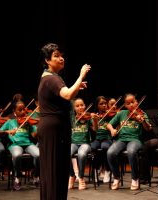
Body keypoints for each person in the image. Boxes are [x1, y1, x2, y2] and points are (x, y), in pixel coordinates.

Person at [37, 42, 91, 200]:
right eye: (56, 56)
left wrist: (77, 86)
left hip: (52, 129)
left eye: (61, 56)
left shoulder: (48, 77)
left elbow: (62, 95)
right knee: (55, 173)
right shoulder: (52, 79)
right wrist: (81, 76)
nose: (61, 59)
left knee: (54, 172)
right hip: (54, 130)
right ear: (47, 60)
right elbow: (67, 95)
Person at [107, 93, 152, 190]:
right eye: (128, 103)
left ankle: (135, 178)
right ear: (125, 105)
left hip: (135, 140)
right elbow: (109, 124)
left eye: (133, 102)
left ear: (136, 102)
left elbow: (148, 128)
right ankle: (116, 177)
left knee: (131, 152)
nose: (131, 105)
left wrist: (142, 121)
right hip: (122, 139)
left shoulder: (142, 114)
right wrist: (112, 130)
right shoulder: (121, 113)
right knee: (110, 153)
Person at [0, 100, 40, 190]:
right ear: (14, 111)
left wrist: (38, 126)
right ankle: (17, 177)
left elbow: (34, 135)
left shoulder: (28, 121)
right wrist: (7, 131)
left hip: (28, 144)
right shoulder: (10, 122)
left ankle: (35, 175)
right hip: (15, 144)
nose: (23, 112)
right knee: (17, 155)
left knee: (38, 155)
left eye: (23, 109)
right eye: (19, 110)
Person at [68, 97, 98, 190]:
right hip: (73, 143)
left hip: (85, 143)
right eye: (77, 106)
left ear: (85, 106)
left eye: (82, 105)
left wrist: (95, 120)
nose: (80, 107)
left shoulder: (88, 117)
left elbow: (95, 129)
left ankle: (81, 177)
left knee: (81, 154)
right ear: (74, 108)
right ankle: (72, 175)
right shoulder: (71, 117)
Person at [90, 96, 113, 183]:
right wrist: (95, 120)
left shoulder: (110, 115)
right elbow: (95, 130)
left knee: (105, 147)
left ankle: (107, 170)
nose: (104, 105)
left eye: (105, 103)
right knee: (93, 147)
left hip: (107, 138)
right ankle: (96, 170)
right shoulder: (94, 115)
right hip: (97, 138)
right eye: (101, 104)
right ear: (97, 105)